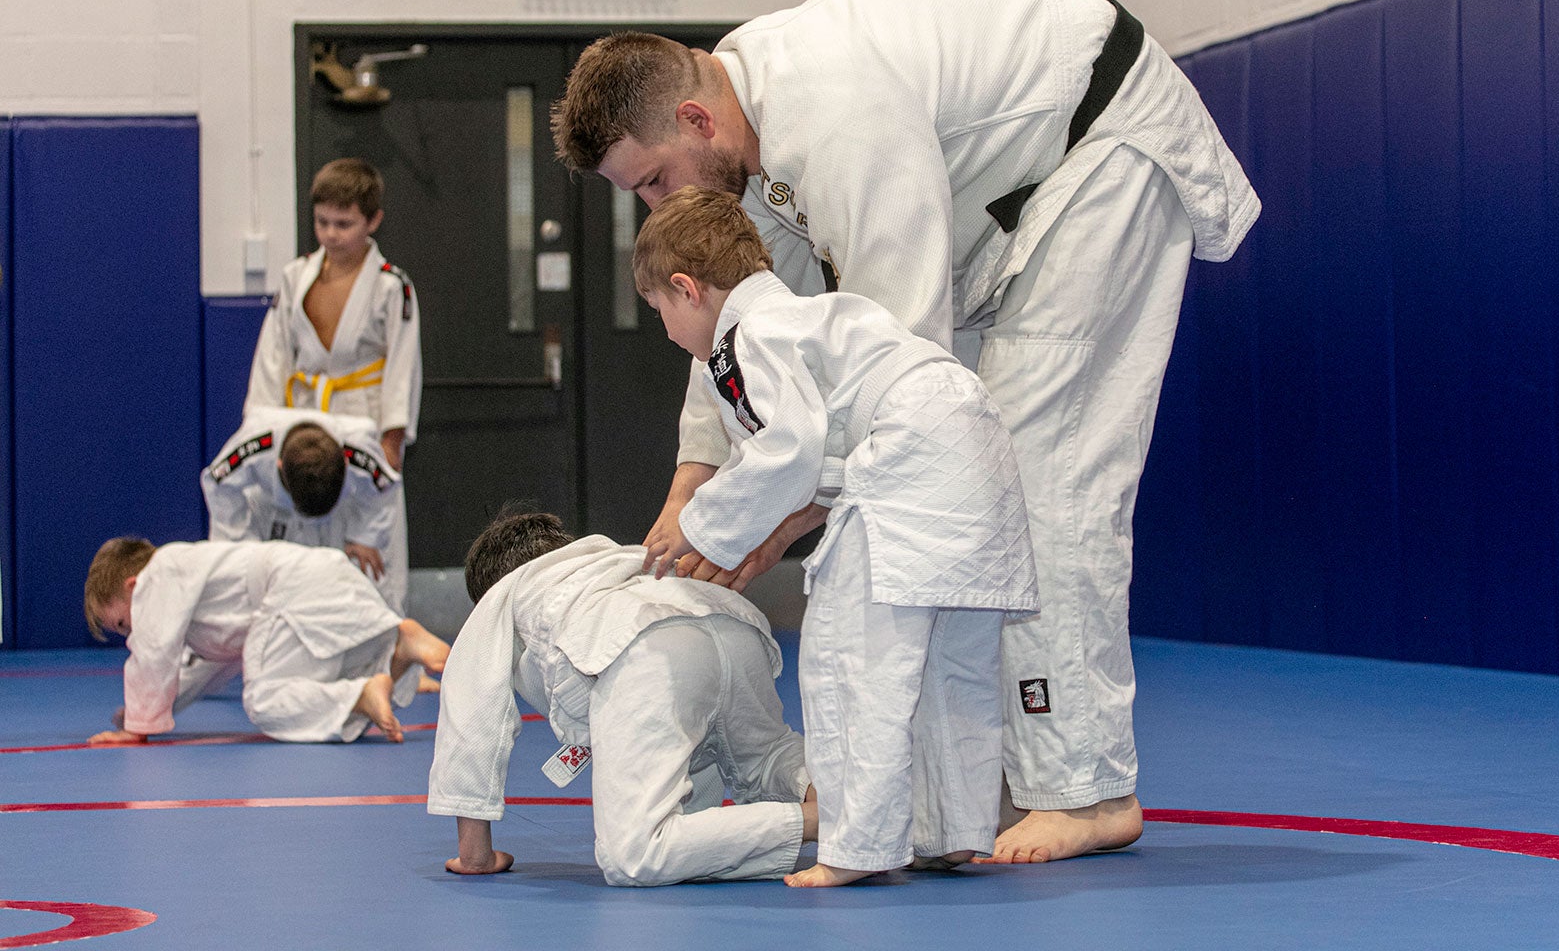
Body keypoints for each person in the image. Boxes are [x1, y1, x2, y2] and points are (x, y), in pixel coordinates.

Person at [550, 0, 1261, 862]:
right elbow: (743, 326)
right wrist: (692, 483)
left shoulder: (835, 110)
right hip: (1004, 213)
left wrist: (787, 512)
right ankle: (994, 777)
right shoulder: (740, 127)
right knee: (954, 497)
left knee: (1033, 478)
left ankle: (1086, 787)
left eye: (654, 180)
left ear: (696, 119)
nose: (659, 205)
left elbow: (897, 359)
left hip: (1097, 162)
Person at [633, 187, 1038, 887]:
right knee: (952, 657)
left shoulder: (743, 339)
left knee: (851, 654)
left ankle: (856, 847)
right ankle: (949, 828)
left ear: (687, 289)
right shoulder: (807, 318)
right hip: (972, 438)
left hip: (911, 449)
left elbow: (788, 449)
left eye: (660, 311)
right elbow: (821, 453)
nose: (667, 334)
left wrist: (701, 525)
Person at [428, 510, 815, 887]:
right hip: (733, 621)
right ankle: (844, 806)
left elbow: (472, 719)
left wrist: (475, 856)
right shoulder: (611, 559)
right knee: (766, 758)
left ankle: (818, 823)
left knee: (634, 855)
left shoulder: (504, 594)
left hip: (647, 647)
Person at [245, 157, 421, 610]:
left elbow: (402, 367)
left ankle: (383, 635)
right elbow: (273, 357)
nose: (330, 234)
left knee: (368, 535)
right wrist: (260, 427)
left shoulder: (391, 287)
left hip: (362, 416)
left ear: (373, 221)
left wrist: (392, 441)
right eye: (322, 222)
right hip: (302, 417)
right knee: (301, 529)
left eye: (344, 224)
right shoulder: (295, 276)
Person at [84, 535, 447, 745]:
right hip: (320, 576)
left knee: (264, 700)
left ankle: (359, 694)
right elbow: (203, 670)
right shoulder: (193, 595)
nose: (130, 632)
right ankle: (399, 649)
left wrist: (136, 729)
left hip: (288, 588)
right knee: (332, 672)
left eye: (122, 622)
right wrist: (144, 712)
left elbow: (153, 649)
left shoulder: (159, 573)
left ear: (134, 585)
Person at [201, 406, 403, 610]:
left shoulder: (357, 445)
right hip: (271, 512)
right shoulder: (258, 442)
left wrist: (366, 536)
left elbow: (385, 486)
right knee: (248, 584)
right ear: (279, 465)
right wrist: (243, 544)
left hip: (340, 515)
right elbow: (218, 484)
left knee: (368, 578)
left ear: (345, 461)